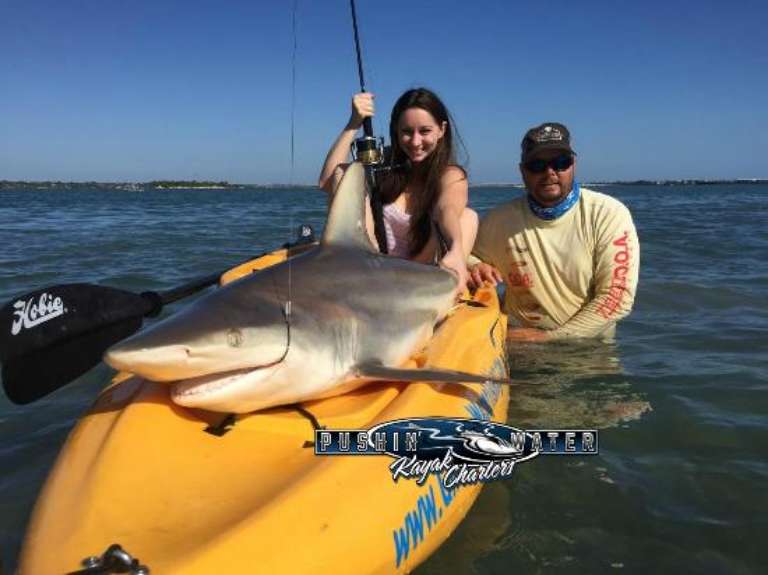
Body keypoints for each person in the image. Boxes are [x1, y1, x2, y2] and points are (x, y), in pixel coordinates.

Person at [469, 122, 640, 342]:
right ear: (522, 171)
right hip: (516, 348)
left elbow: (618, 297)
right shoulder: (498, 220)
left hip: (588, 350)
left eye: (561, 163)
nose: (550, 172)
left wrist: (549, 339)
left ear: (574, 165)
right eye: (537, 165)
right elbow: (465, 256)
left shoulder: (609, 214)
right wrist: (475, 265)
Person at [318, 88, 477, 293]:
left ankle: (447, 287)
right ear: (396, 131)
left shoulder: (451, 174)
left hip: (422, 273)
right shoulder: (381, 165)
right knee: (345, 172)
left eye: (425, 131)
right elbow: (327, 181)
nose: (416, 141)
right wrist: (353, 124)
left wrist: (456, 249)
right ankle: (363, 266)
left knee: (468, 217)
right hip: (374, 269)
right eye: (407, 132)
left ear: (441, 130)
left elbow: (446, 209)